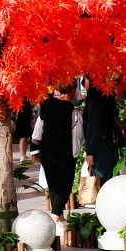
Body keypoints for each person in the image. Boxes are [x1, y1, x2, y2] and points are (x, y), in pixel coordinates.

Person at [36, 84, 77, 224]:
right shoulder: (73, 110)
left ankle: (59, 217)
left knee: (53, 185)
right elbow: (77, 134)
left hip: (47, 150)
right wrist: (77, 152)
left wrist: (35, 147)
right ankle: (54, 218)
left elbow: (39, 127)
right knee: (65, 185)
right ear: (73, 91)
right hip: (65, 152)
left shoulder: (47, 105)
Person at [83, 83, 123, 184]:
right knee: (111, 179)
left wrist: (90, 152)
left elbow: (93, 128)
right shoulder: (107, 101)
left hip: (100, 149)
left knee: (102, 181)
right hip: (110, 146)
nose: (85, 85)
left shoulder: (95, 104)